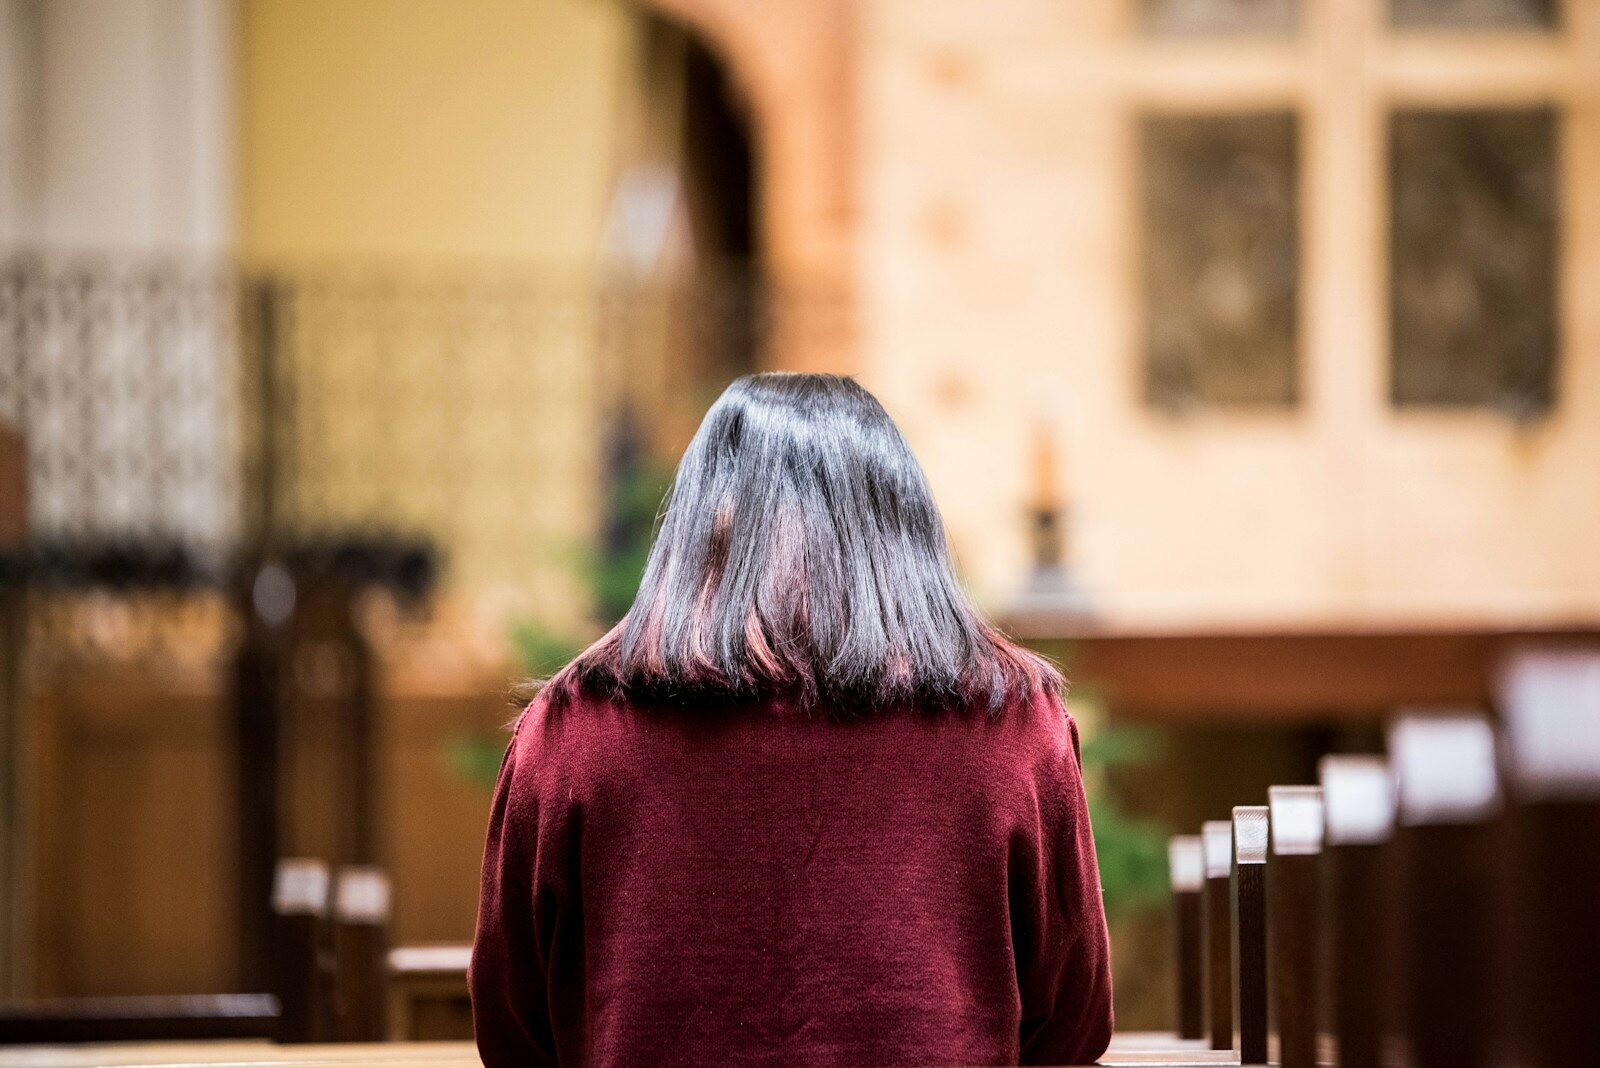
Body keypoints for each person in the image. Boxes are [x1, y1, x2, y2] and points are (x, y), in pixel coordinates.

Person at [469, 373, 1113, 1066]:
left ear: (692, 528)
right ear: (904, 528)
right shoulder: (1016, 729)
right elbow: (1072, 1026)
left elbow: (513, 1029)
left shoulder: (570, 734)